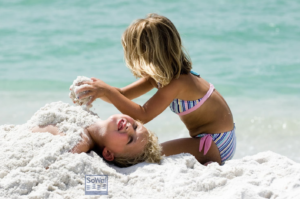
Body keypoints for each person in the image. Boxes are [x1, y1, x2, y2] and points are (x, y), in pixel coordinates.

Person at [75, 13, 236, 165]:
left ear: (145, 56)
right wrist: (96, 90)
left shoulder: (178, 82)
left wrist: (107, 91)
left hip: (216, 143)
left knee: (152, 155)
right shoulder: (161, 77)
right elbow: (123, 94)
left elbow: (143, 115)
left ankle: (208, 160)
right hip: (213, 138)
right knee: (153, 153)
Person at [31, 107, 162, 167]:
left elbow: (48, 165)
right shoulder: (90, 115)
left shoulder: (81, 141)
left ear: (109, 153)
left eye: (130, 139)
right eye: (135, 126)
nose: (129, 128)